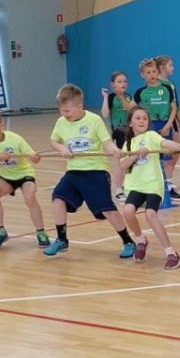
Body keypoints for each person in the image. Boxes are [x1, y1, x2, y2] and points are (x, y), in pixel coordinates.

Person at [43, 83, 136, 257]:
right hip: (73, 172)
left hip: (95, 171)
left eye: (68, 111)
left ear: (80, 107)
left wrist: (114, 150)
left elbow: (107, 142)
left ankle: (128, 241)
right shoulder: (61, 122)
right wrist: (61, 147)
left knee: (107, 209)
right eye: (61, 111)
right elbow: (53, 141)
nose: (64, 114)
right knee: (57, 199)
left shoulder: (94, 120)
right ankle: (62, 239)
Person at [118, 106, 180, 269]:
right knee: (127, 211)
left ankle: (171, 253)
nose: (142, 121)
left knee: (150, 214)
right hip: (135, 185)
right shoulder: (128, 144)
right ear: (130, 123)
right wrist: (136, 154)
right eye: (138, 118)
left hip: (153, 185)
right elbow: (123, 165)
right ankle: (141, 239)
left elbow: (165, 142)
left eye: (145, 118)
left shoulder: (151, 136)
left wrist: (177, 146)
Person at [0, 110, 49, 250]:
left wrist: (35, 157)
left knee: (30, 196)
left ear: (2, 125)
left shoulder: (15, 139)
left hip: (24, 174)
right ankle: (0, 231)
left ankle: (41, 232)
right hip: (6, 177)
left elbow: (34, 158)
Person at [132, 57, 180, 203]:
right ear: (143, 75)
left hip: (164, 125)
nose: (152, 75)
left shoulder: (166, 88)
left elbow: (173, 108)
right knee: (150, 158)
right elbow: (135, 111)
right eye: (148, 72)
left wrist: (169, 125)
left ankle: (167, 187)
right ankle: (146, 189)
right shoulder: (141, 92)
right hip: (150, 126)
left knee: (167, 156)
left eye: (154, 71)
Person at [100, 71, 134, 202]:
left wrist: (121, 97)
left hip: (130, 133)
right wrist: (105, 97)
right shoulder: (110, 98)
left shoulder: (128, 97)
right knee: (121, 162)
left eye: (125, 81)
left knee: (130, 161)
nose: (123, 84)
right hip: (119, 133)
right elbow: (105, 114)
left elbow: (130, 109)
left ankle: (128, 186)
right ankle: (119, 189)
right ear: (113, 84)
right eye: (119, 82)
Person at [154, 54, 180, 201]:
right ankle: (164, 184)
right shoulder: (156, 84)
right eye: (170, 65)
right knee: (163, 154)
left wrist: (178, 121)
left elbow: (174, 105)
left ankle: (169, 181)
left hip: (172, 122)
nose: (173, 68)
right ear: (161, 67)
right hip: (160, 123)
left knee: (174, 152)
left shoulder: (170, 84)